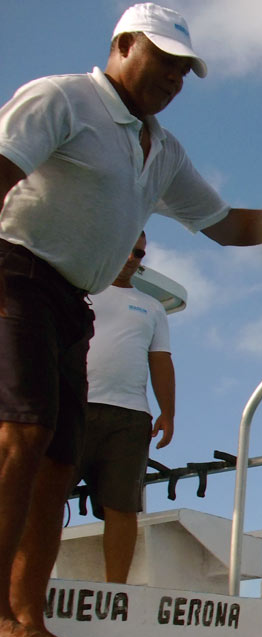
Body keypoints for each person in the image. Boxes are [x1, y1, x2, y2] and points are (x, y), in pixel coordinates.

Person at [0, 4, 262, 637]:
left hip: (72, 303)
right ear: (124, 45)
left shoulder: (160, 150)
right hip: (14, 273)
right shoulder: (62, 98)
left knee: (56, 460)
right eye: (163, 61)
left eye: (184, 71)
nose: (173, 79)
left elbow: (225, 225)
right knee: (19, 434)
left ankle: (25, 619)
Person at [76, 232, 173, 583]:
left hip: (130, 417)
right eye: (127, 249)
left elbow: (160, 361)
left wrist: (168, 413)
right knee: (45, 495)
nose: (132, 258)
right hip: (74, 406)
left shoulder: (152, 307)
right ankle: (29, 583)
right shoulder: (77, 287)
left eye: (139, 253)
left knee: (122, 505)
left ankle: (115, 590)